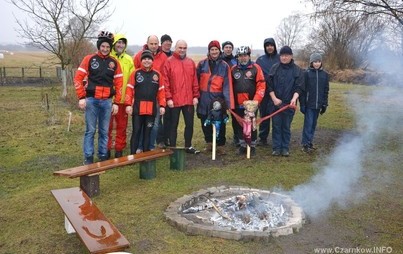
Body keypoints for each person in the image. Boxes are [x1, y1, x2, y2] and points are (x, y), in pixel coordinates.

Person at [73, 31, 123, 164]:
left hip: (107, 102)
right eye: (103, 46)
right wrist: (81, 97)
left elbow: (119, 84)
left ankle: (103, 157)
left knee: (104, 131)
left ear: (110, 47)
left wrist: (116, 102)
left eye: (107, 47)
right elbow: (78, 78)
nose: (105, 49)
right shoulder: (89, 59)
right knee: (90, 130)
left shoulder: (114, 62)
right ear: (99, 46)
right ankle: (88, 158)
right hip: (91, 100)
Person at [163, 39, 200, 154]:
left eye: (184, 48)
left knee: (189, 124)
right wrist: (168, 98)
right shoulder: (169, 62)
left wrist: (195, 96)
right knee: (173, 125)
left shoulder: (190, 62)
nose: (182, 50)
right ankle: (173, 148)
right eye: (180, 48)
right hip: (174, 101)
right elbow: (165, 82)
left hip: (189, 100)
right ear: (175, 48)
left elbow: (195, 80)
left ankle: (188, 146)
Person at [196, 40, 234, 154]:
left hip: (218, 99)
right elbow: (196, 81)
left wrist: (228, 103)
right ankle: (209, 143)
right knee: (204, 121)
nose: (214, 52)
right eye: (212, 50)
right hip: (204, 98)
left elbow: (227, 85)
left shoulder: (224, 66)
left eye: (216, 49)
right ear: (209, 51)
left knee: (220, 122)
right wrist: (196, 96)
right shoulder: (202, 64)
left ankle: (221, 145)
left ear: (219, 51)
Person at [125, 50, 166, 154]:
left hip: (151, 109)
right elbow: (129, 89)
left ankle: (145, 155)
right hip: (138, 109)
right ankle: (133, 155)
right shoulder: (136, 73)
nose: (146, 61)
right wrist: (128, 104)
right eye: (144, 59)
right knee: (136, 131)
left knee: (148, 132)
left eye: (149, 59)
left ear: (152, 61)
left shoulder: (157, 75)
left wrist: (162, 105)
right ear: (141, 60)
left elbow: (161, 91)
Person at [133, 35, 168, 152]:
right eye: (151, 44)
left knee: (155, 125)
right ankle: (139, 146)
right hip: (141, 98)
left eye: (155, 44)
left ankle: (150, 146)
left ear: (159, 44)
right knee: (141, 124)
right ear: (147, 43)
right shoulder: (139, 55)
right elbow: (135, 75)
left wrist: (163, 98)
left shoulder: (163, 57)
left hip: (156, 97)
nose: (153, 46)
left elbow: (165, 76)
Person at [267, 45, 304, 157]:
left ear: (291, 56)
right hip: (276, 104)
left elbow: (299, 87)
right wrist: (274, 98)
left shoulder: (297, 70)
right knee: (276, 126)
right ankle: (276, 148)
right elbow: (269, 85)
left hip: (289, 104)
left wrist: (294, 99)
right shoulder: (274, 68)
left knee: (286, 126)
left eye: (286, 55)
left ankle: (285, 148)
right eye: (282, 55)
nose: (284, 58)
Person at [231, 46, 266, 155]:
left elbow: (261, 85)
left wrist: (256, 101)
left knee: (252, 125)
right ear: (238, 57)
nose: (243, 58)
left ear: (249, 56)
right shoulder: (233, 69)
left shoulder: (256, 68)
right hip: (238, 103)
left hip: (251, 104)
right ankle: (242, 145)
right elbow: (230, 86)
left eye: (245, 55)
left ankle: (252, 145)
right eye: (241, 56)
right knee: (240, 125)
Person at [107, 33, 135, 159]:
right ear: (114, 43)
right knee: (106, 127)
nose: (120, 45)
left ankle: (119, 150)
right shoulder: (108, 57)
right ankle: (105, 150)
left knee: (121, 127)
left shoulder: (129, 60)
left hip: (123, 100)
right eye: (118, 42)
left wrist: (130, 98)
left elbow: (132, 80)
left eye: (123, 43)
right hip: (107, 99)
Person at [300, 52, 329, 152]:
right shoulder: (306, 74)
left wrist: (325, 103)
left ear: (321, 62)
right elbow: (303, 91)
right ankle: (305, 144)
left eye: (319, 61)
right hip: (309, 104)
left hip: (318, 104)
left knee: (313, 125)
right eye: (315, 62)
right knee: (308, 124)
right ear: (311, 63)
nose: (317, 64)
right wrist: (303, 104)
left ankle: (310, 141)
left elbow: (326, 90)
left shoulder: (325, 75)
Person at [255, 38, 280, 147]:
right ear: (265, 47)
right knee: (264, 115)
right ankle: (262, 137)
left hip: (277, 92)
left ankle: (277, 138)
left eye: (271, 45)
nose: (269, 47)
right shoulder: (260, 60)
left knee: (276, 116)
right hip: (264, 92)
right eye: (267, 45)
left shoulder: (280, 58)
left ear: (274, 46)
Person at [157, 34, 173, 148]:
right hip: (158, 88)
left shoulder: (173, 55)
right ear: (161, 44)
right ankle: (159, 139)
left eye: (169, 42)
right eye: (165, 42)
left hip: (170, 89)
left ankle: (166, 137)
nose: (168, 44)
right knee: (158, 116)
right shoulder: (158, 55)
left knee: (169, 117)